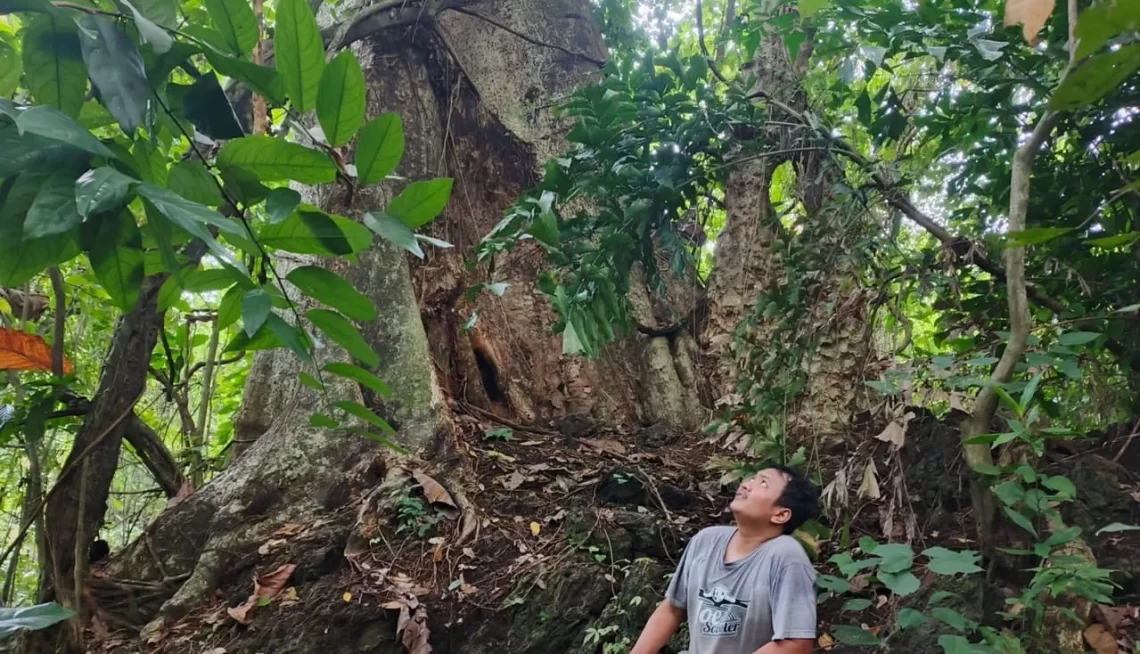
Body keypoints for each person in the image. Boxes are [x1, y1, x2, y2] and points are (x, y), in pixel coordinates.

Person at [631, 466, 821, 654]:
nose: (746, 485)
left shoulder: (786, 557)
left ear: (780, 515)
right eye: (752, 478)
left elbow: (796, 644)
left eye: (763, 483)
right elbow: (672, 609)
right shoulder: (706, 541)